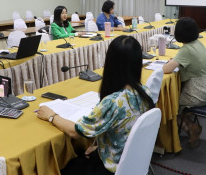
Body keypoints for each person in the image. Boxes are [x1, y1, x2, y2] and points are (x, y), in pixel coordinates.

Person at [36, 35, 154, 175]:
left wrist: (51, 116)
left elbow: (75, 131)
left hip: (112, 168)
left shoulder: (113, 102)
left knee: (61, 168)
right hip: (131, 161)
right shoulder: (145, 91)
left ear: (111, 63)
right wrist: (100, 148)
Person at [162, 17, 206, 149]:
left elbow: (166, 70)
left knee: (169, 106)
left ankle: (190, 128)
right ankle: (191, 127)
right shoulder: (198, 43)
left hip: (195, 93)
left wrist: (168, 64)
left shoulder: (186, 50)